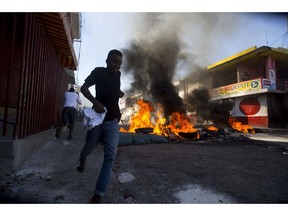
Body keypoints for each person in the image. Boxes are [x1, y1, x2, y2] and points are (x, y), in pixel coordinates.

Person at [76, 49, 125, 204]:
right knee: (89, 146)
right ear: (107, 60)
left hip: (113, 122)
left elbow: (112, 89)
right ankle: (83, 157)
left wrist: (119, 93)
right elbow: (83, 88)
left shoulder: (118, 74)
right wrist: (95, 103)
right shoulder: (98, 72)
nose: (116, 66)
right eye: (114, 62)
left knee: (110, 157)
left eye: (119, 63)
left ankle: (98, 194)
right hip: (98, 119)